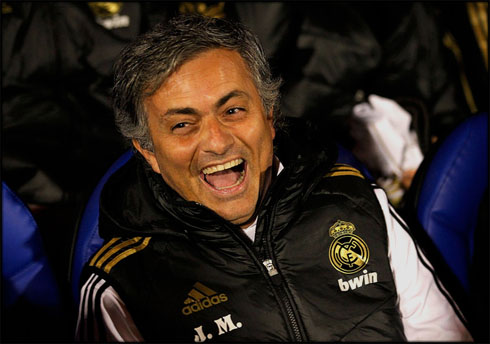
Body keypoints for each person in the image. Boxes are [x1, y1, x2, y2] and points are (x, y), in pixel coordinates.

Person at [76, 14, 472, 342]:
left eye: (232, 111)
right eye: (183, 124)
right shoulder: (121, 284)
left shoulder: (358, 202)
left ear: (269, 117)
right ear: (148, 152)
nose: (216, 142)